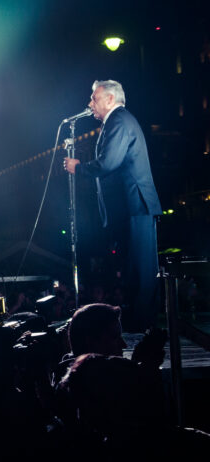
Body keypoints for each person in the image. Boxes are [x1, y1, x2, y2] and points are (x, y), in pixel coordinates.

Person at [64, 80, 162, 332]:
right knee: (133, 269)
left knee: (140, 270)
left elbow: (109, 162)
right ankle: (139, 323)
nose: (89, 104)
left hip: (135, 206)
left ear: (109, 99)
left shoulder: (119, 120)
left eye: (94, 98)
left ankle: (143, 323)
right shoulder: (117, 121)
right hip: (130, 207)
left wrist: (79, 168)